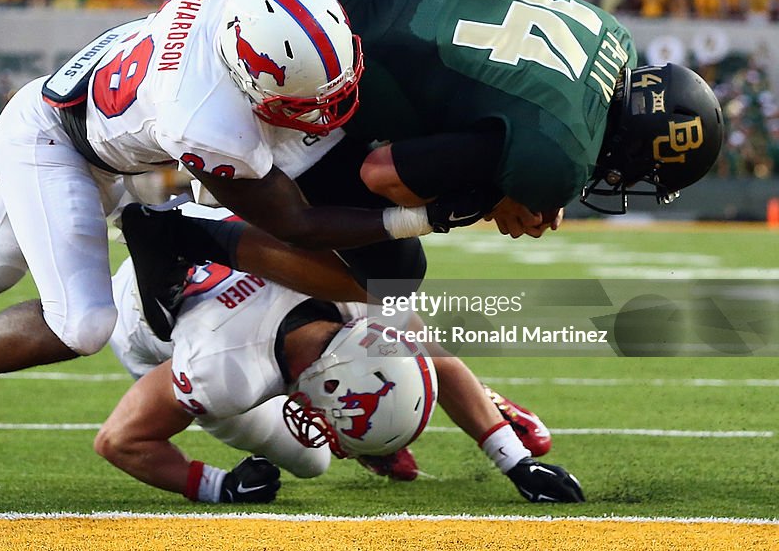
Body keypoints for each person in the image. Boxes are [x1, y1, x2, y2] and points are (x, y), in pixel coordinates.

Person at [0, 0, 545, 469]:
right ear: (248, 76)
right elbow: (300, 224)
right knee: (79, 323)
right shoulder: (203, 121)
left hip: (95, 113)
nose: (326, 104)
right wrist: (427, 214)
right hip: (59, 142)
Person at [123, 0, 726, 331]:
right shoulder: (561, 155)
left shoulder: (607, 30)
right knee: (393, 275)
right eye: (637, 171)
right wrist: (496, 194)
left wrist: (505, 170)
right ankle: (186, 234)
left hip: (332, 7)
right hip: (309, 79)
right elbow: (383, 175)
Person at [95, 208, 583, 504]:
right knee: (313, 461)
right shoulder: (224, 376)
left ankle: (381, 436)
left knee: (404, 331)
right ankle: (376, 439)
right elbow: (120, 440)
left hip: (225, 275)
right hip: (148, 322)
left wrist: (513, 460)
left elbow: (430, 353)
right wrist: (216, 486)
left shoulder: (358, 301)